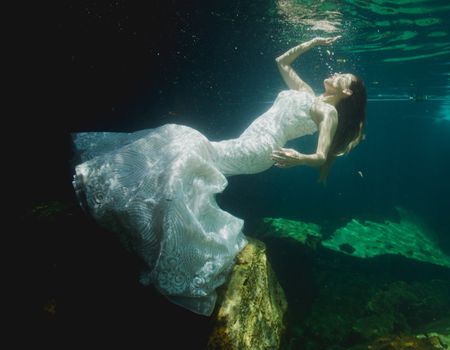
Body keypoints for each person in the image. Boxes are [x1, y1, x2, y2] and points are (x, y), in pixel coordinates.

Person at [71, 36, 367, 316]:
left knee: (186, 141)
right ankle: (154, 220)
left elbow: (320, 157)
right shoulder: (306, 93)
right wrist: (312, 42)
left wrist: (299, 158)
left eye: (345, 77)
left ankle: (165, 235)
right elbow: (281, 62)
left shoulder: (329, 114)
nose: (338, 72)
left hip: (262, 149)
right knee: (185, 151)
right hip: (248, 141)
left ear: (348, 92)